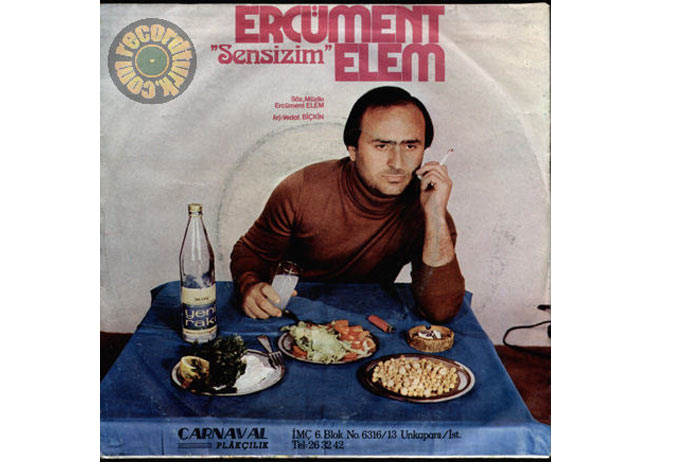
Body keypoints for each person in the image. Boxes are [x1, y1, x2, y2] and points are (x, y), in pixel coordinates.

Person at [230, 86, 465, 323]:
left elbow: (440, 311)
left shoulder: (429, 208)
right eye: (382, 146)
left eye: (410, 146)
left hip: (368, 321)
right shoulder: (302, 189)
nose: (397, 163)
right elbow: (251, 253)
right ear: (353, 150)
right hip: (289, 315)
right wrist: (249, 285)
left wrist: (435, 215)